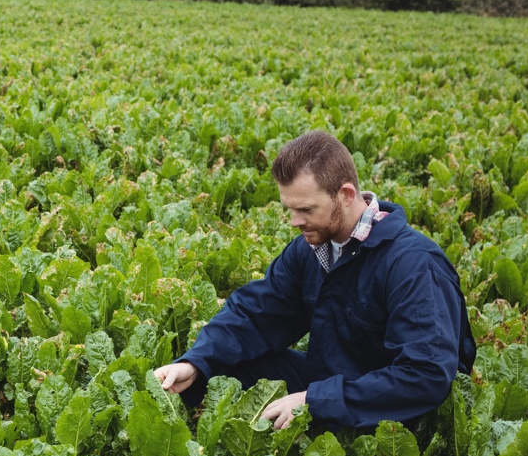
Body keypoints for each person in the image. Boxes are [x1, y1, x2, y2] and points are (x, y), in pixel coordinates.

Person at [153, 129, 475, 431]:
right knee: (220, 368)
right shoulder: (312, 248)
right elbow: (256, 314)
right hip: (328, 384)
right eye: (289, 209)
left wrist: (313, 401)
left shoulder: (415, 265)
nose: (294, 222)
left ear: (346, 194)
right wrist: (195, 363)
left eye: (305, 209)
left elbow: (425, 376)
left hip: (387, 412)